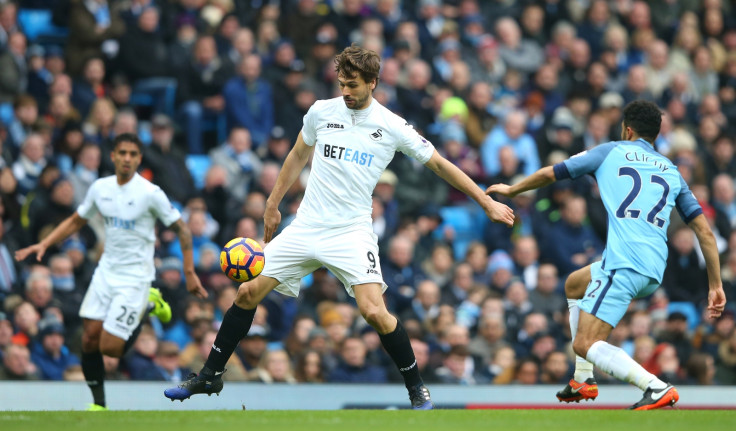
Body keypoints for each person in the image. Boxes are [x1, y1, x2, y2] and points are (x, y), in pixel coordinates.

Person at [164, 44, 514, 410]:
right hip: (306, 226)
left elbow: (440, 164)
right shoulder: (321, 111)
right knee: (247, 293)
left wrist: (485, 201)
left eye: (353, 85)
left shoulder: (392, 126)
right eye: (342, 83)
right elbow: (298, 154)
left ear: (373, 83)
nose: (345, 91)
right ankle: (209, 376)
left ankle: (416, 387)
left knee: (375, 312)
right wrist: (272, 204)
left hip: (350, 233)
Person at [488, 100, 727, 410]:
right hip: (654, 267)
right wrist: (715, 284)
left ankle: (654, 386)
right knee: (575, 284)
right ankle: (583, 380)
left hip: (624, 263)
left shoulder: (610, 151)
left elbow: (553, 173)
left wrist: (512, 190)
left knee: (585, 343)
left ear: (627, 129)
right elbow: (705, 233)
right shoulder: (671, 170)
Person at [15, 133, 206, 410]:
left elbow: (182, 229)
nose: (127, 158)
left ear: (139, 158)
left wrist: (189, 272)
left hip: (136, 277)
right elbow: (76, 220)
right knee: (89, 339)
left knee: (111, 348)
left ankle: (148, 305)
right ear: (114, 156)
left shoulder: (150, 193)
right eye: (122, 153)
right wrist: (45, 242)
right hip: (106, 272)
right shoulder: (100, 188)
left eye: (132, 153)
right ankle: (99, 406)